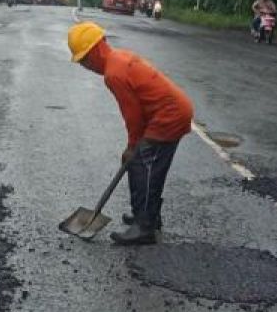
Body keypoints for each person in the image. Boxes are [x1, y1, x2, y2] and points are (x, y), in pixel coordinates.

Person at [67, 21, 194, 245]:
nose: (86, 66)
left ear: (96, 49)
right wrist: (134, 146)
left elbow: (133, 116)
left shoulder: (113, 74)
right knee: (150, 167)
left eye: (85, 60)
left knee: (141, 165)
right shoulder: (120, 58)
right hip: (171, 111)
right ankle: (146, 216)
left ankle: (144, 228)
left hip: (168, 116)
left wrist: (132, 146)